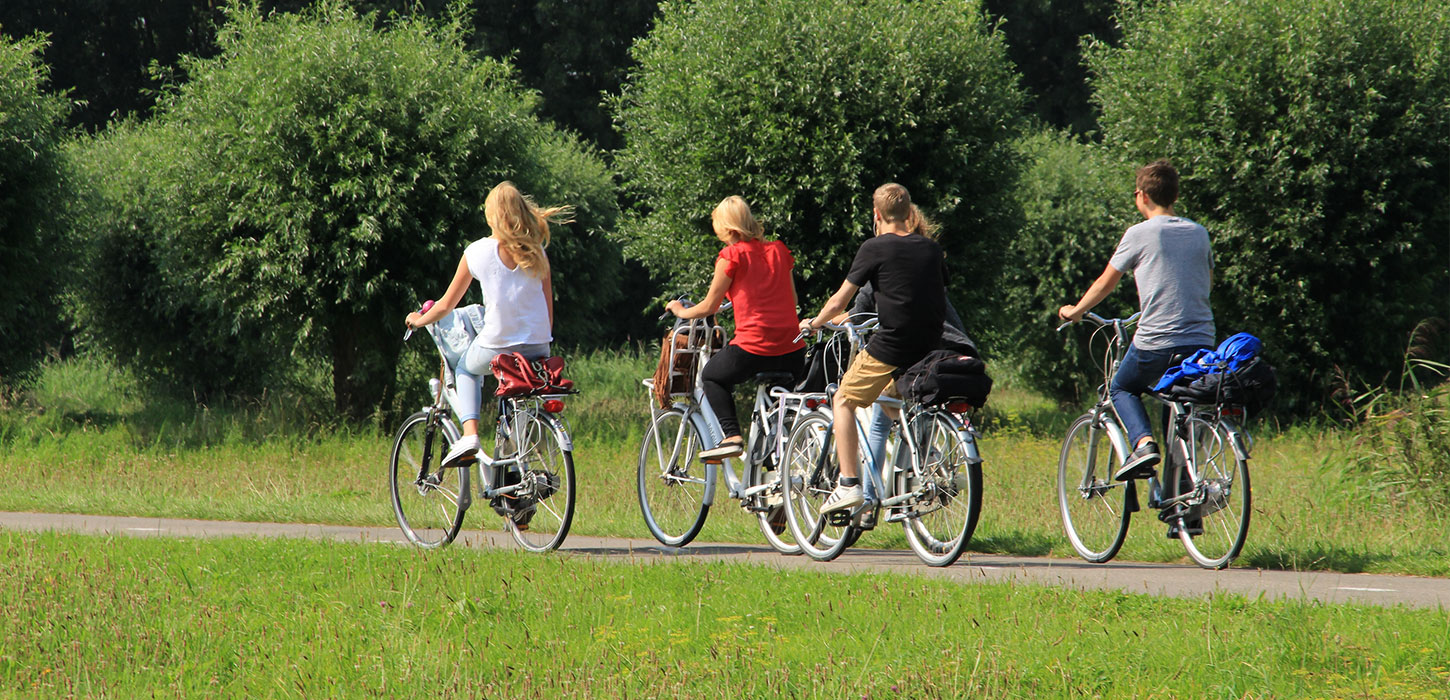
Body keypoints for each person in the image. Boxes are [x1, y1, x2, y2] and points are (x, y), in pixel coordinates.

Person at [1058, 159, 1215, 482]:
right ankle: (1183, 501)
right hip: (1202, 340)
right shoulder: (1199, 233)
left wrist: (1076, 311)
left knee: (1122, 387)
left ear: (1141, 195)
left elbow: (1106, 282)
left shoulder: (1139, 233)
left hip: (1157, 342)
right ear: (1175, 194)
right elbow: (1206, 283)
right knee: (1178, 405)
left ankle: (1143, 445)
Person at [799, 183, 947, 514]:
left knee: (843, 400)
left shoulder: (874, 247)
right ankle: (924, 460)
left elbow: (841, 299)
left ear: (877, 214)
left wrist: (816, 322)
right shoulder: (931, 249)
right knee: (890, 405)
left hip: (893, 344)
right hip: (931, 345)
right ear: (910, 214)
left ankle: (849, 485)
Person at [405, 181, 570, 467]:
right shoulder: (537, 252)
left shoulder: (477, 252)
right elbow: (548, 307)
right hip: (540, 345)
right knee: (519, 389)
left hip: (498, 346)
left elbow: (446, 305)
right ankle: (519, 462)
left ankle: (470, 436)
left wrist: (418, 320)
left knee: (465, 368)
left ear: (492, 215)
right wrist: (541, 340)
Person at [666, 196, 806, 460]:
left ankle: (731, 436)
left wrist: (681, 310)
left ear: (728, 228)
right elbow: (793, 299)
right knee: (774, 423)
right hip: (793, 349)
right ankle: (774, 484)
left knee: (712, 376)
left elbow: (709, 305)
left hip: (755, 347)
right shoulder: (779, 250)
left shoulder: (731, 256)